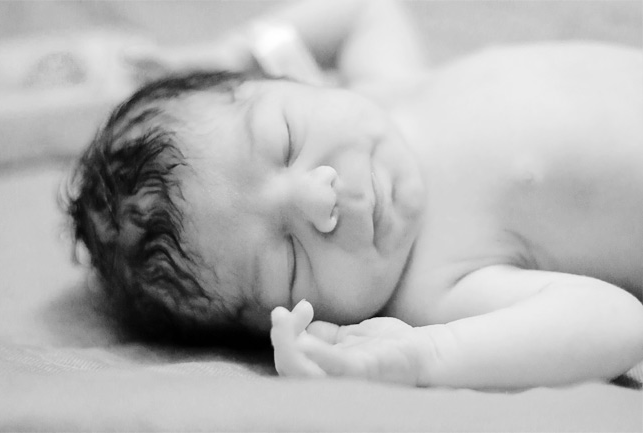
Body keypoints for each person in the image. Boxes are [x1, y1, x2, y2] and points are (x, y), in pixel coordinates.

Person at [67, 0, 643, 389]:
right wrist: (431, 356)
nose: (321, 202)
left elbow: (368, 10)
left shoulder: (386, 89)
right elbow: (618, 324)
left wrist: (236, 48)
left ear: (288, 82)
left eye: (285, 139)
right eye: (289, 260)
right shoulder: (431, 287)